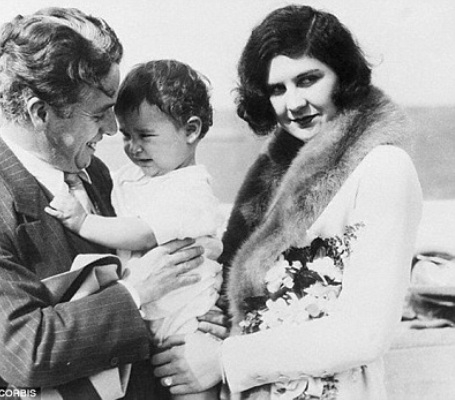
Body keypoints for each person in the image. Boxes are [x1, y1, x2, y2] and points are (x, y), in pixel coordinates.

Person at [0, 7, 220, 400]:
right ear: (41, 113)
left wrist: (206, 321)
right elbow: (27, 352)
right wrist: (137, 292)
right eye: (101, 114)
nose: (113, 129)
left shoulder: (96, 172)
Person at [152, 5, 423, 400]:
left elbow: (365, 333)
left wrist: (224, 359)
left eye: (308, 80)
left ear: (342, 76)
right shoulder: (273, 175)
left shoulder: (383, 168)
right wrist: (218, 323)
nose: (293, 103)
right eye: (277, 89)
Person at [46, 59, 224, 400]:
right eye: (127, 135)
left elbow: (142, 233)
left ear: (191, 131)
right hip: (145, 318)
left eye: (145, 136)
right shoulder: (131, 177)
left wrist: (83, 222)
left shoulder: (191, 189)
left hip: (186, 320)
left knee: (192, 385)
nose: (133, 147)